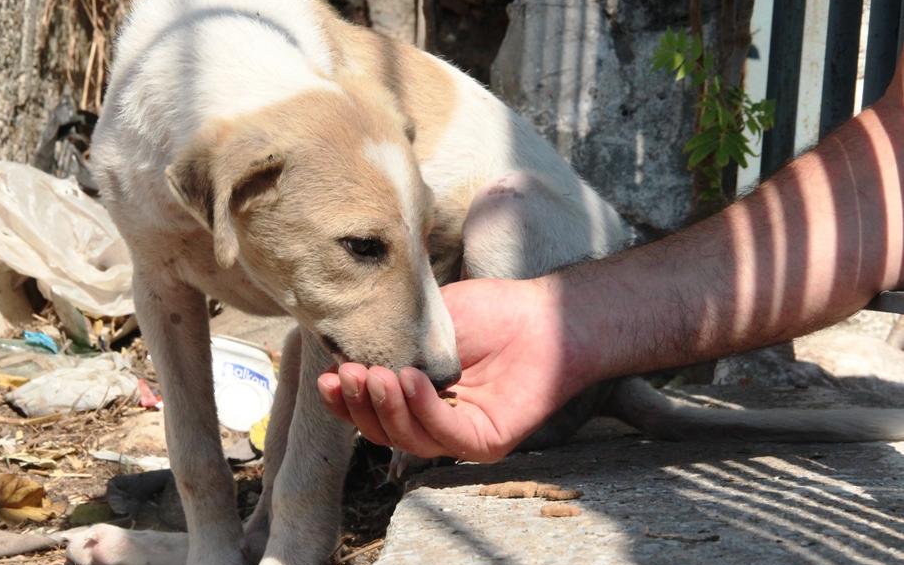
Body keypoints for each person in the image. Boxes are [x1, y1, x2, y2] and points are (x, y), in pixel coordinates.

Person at [317, 52, 904, 463]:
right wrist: (555, 323)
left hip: (549, 266)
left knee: (505, 208)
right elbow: (876, 195)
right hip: (555, 313)